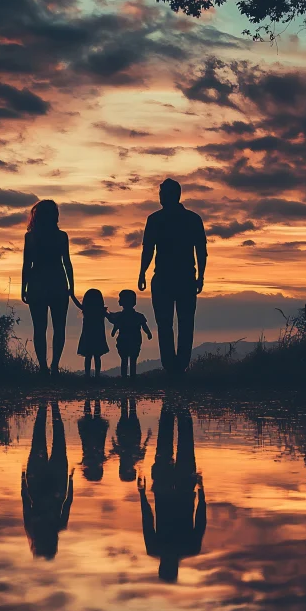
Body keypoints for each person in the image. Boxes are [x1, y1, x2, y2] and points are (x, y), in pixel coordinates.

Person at [138, 178, 208, 376]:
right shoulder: (192, 219)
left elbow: (148, 250)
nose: (160, 197)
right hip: (180, 277)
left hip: (169, 278)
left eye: (162, 193)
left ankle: (173, 367)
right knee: (181, 323)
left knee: (168, 323)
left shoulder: (156, 219)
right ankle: (177, 366)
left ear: (171, 195)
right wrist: (142, 272)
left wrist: (142, 272)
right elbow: (201, 251)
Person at [138, 400, 206, 583]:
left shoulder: (189, 548)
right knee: (168, 442)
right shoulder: (156, 548)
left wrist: (202, 492)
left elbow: (201, 520)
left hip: (179, 488)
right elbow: (147, 519)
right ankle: (173, 403)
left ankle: (176, 404)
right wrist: (142, 494)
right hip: (166, 488)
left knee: (183, 442)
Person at [21, 200, 74, 377]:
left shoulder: (30, 237)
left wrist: (24, 287)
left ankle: (44, 367)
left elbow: (27, 265)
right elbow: (67, 263)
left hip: (37, 284)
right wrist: (71, 286)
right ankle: (54, 366)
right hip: (58, 283)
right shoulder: (61, 236)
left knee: (39, 328)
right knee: (59, 327)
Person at [22, 401, 74, 560]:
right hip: (39, 482)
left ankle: (51, 406)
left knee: (57, 440)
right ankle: (44, 406)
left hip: (52, 482)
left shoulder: (58, 526)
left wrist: (71, 481)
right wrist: (23, 479)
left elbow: (68, 501)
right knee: (40, 438)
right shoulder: (33, 526)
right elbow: (24, 500)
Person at [108, 289, 152, 379]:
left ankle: (125, 376)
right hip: (135, 339)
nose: (118, 301)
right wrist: (148, 333)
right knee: (132, 359)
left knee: (124, 359)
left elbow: (117, 324)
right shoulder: (138, 316)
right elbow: (144, 325)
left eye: (120, 299)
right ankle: (132, 376)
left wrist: (113, 332)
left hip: (124, 340)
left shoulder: (121, 316)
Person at [110, 397, 151, 482]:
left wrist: (148, 437)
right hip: (128, 434)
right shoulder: (133, 458)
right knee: (126, 413)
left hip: (132, 435)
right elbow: (143, 447)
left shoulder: (135, 458)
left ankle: (128, 397)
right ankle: (126, 397)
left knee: (131, 413)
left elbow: (144, 447)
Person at [72, 289, 109, 379]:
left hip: (87, 336)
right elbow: (111, 318)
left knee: (88, 356)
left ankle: (87, 374)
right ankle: (97, 375)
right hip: (98, 336)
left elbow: (78, 304)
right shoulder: (101, 311)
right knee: (97, 356)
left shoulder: (86, 310)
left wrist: (72, 295)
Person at [77, 398, 109, 481]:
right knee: (91, 417)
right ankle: (91, 400)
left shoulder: (98, 461)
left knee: (92, 417)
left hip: (93, 439)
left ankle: (93, 400)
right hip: (92, 439)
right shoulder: (94, 462)